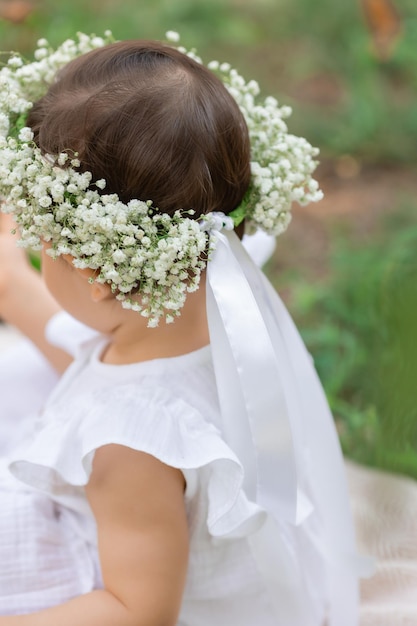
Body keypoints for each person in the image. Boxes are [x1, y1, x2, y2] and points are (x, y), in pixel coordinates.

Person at [0, 33, 362, 626]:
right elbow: (104, 370)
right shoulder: (222, 304)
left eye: (45, 253)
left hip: (113, 579)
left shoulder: (128, 445)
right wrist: (16, 290)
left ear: (100, 271)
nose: (40, 257)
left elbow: (137, 609)